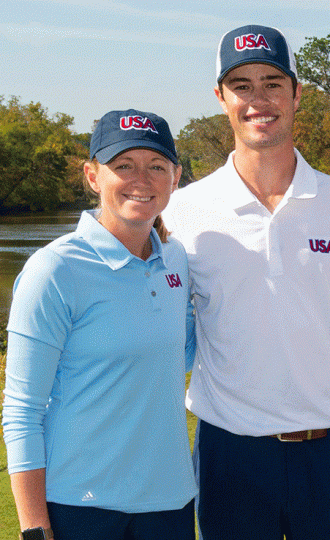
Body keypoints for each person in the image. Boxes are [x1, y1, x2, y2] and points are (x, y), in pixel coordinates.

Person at [162, 24, 330, 540]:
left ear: (296, 93)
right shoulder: (183, 210)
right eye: (242, 86)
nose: (259, 100)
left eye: (273, 83)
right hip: (228, 453)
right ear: (221, 98)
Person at [2, 109, 195, 540]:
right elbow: (21, 410)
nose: (141, 179)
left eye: (156, 166)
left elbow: (181, 351)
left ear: (175, 177)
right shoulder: (54, 269)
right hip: (80, 508)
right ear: (93, 176)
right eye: (123, 165)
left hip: (171, 503)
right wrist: (34, 528)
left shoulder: (176, 260)